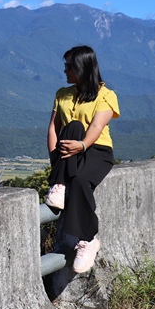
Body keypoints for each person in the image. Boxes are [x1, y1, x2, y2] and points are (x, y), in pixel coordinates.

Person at [45, 44, 119, 280]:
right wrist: (55, 162)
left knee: (81, 181)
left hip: (96, 150)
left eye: (69, 67)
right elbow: (53, 129)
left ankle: (88, 240)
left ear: (82, 68)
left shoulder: (106, 96)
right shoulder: (62, 94)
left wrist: (83, 145)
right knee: (73, 126)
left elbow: (97, 128)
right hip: (67, 152)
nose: (65, 71)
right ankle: (59, 183)